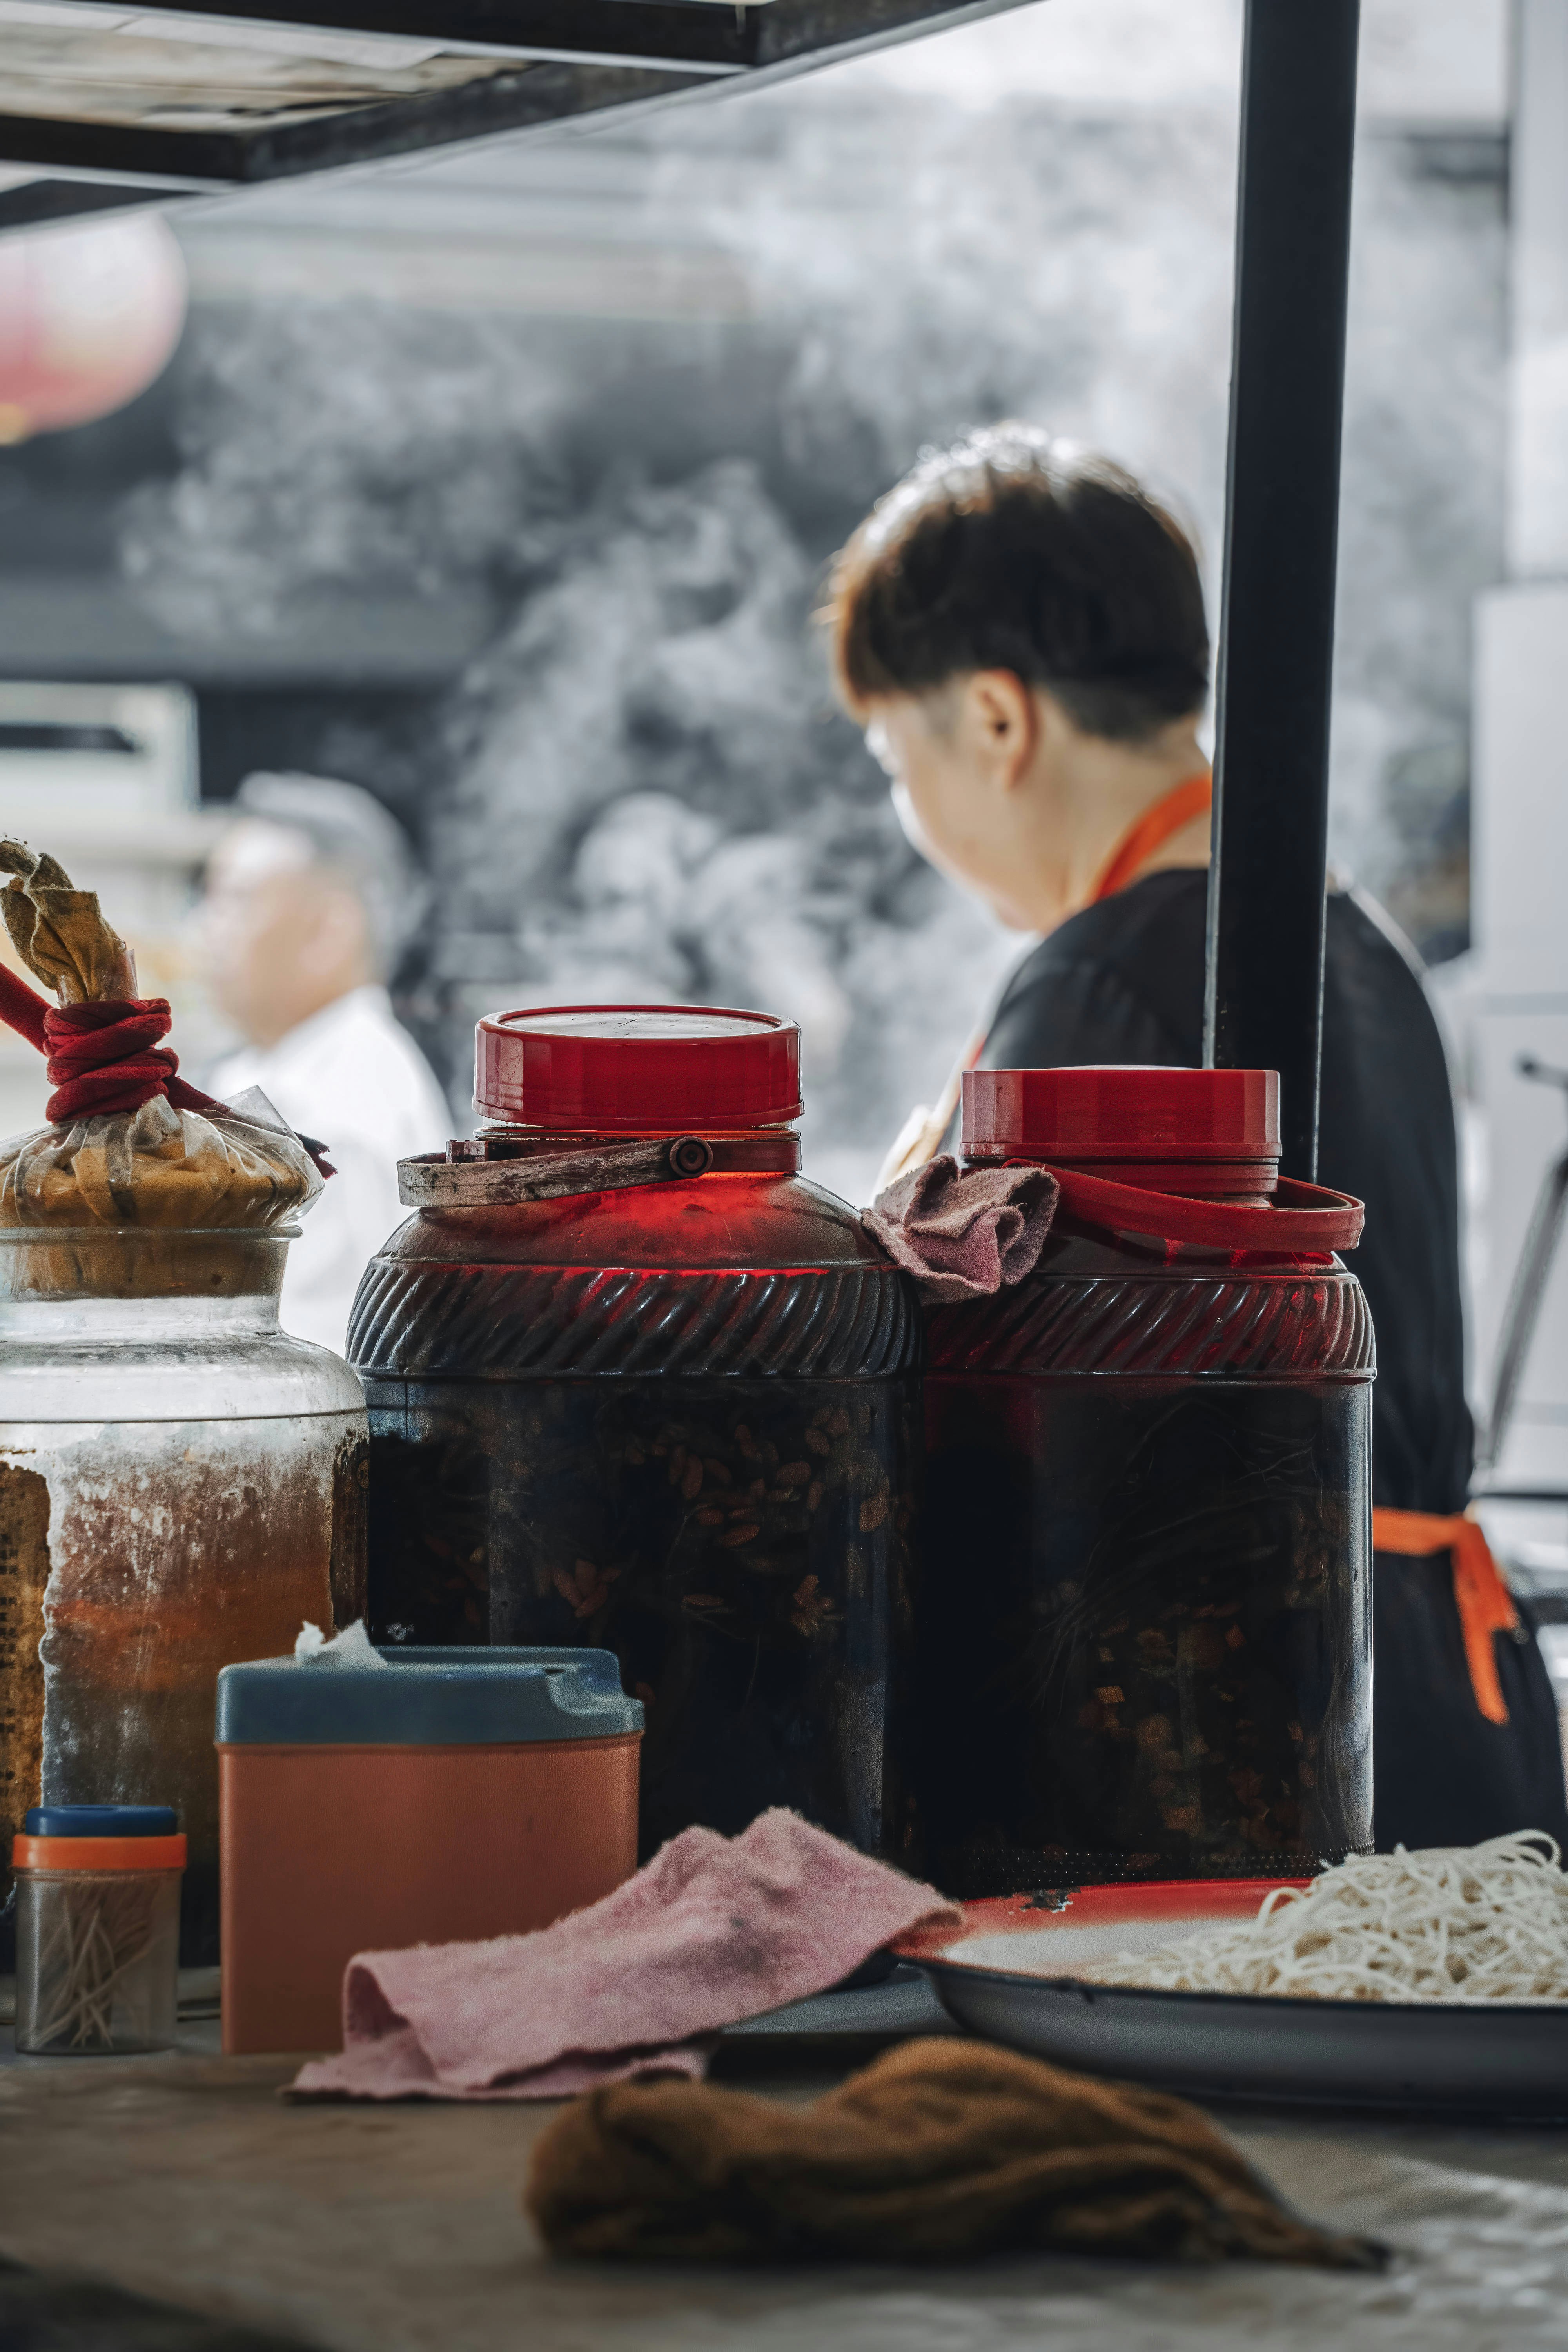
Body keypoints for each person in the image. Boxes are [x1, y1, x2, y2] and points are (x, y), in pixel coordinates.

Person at [826, 421, 1568, 1854]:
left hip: (1236, 1722)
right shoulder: (1358, 943)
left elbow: (993, 1396)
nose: (903, 813)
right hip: (1434, 1690)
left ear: (995, 718)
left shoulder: (1105, 975)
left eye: (888, 759)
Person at [199, 773, 451, 1355]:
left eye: (234, 900)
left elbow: (295, 1353)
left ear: (328, 931)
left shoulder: (345, 1106)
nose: (204, 928)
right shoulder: (272, 1069)